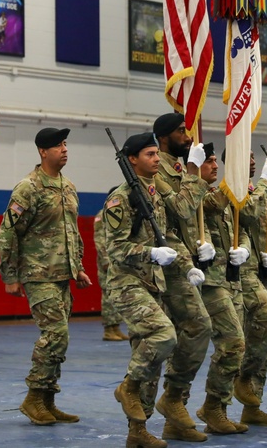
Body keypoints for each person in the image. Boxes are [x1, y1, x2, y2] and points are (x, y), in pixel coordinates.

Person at [0, 127, 91, 426]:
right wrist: (10, 275)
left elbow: (73, 232)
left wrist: (77, 267)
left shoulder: (68, 186)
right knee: (55, 334)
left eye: (65, 144)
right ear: (42, 151)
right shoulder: (28, 188)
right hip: (38, 274)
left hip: (63, 274)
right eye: (58, 145)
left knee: (60, 339)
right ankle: (34, 398)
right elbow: (9, 232)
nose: (64, 149)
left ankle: (48, 400)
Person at [102, 132, 180, 448]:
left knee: (149, 357)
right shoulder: (120, 198)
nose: (156, 159)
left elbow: (166, 235)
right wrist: (150, 254)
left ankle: (138, 431)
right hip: (127, 283)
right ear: (132, 159)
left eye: (156, 153)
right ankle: (128, 387)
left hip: (152, 283)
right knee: (165, 336)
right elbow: (116, 248)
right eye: (149, 154)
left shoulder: (154, 194)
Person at [152, 111, 213, 442]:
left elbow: (193, 219)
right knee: (195, 328)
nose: (188, 136)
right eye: (180, 131)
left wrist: (207, 245)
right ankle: (171, 398)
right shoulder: (156, 169)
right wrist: (193, 171)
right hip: (168, 265)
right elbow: (180, 210)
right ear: (164, 138)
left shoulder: (176, 167)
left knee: (187, 334)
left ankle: (175, 418)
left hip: (191, 264)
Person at [195, 143, 251, 434]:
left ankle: (219, 408)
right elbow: (213, 204)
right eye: (209, 162)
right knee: (232, 342)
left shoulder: (220, 196)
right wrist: (238, 177)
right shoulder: (193, 194)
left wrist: (243, 247)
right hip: (209, 281)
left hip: (231, 279)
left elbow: (239, 228)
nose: (215, 166)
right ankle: (212, 406)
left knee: (236, 347)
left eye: (217, 161)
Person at [228, 150, 267, 428]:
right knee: (254, 329)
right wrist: (264, 181)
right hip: (241, 274)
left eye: (253, 155)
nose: (251, 159)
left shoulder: (256, 191)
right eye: (245, 154)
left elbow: (266, 229)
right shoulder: (231, 189)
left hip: (263, 272)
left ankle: (253, 405)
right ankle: (220, 402)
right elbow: (248, 213)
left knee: (264, 340)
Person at [94, 187, 128, 342]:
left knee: (117, 294)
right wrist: (106, 261)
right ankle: (108, 329)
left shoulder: (116, 214)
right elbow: (99, 240)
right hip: (107, 262)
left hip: (117, 260)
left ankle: (115, 327)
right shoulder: (102, 216)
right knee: (108, 295)